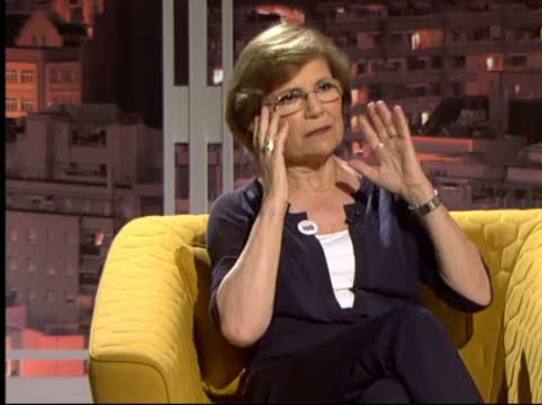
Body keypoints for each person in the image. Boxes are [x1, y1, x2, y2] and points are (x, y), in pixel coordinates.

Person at [208, 22, 493, 403]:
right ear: (255, 122)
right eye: (291, 97)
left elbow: (476, 293)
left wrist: (419, 191)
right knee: (410, 326)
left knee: (386, 397)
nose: (316, 109)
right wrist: (275, 200)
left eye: (324, 88)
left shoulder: (386, 198)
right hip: (291, 384)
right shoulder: (240, 212)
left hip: (379, 377)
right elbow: (242, 328)